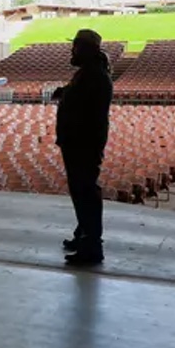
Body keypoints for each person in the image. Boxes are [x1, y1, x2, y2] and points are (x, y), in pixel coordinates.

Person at [52, 29, 113, 266]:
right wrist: (66, 92)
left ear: (87, 49)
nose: (72, 51)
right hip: (78, 141)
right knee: (81, 191)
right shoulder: (89, 74)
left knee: (86, 192)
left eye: (76, 46)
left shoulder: (94, 76)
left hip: (83, 143)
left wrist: (67, 96)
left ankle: (92, 245)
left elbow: (85, 108)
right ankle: (83, 235)